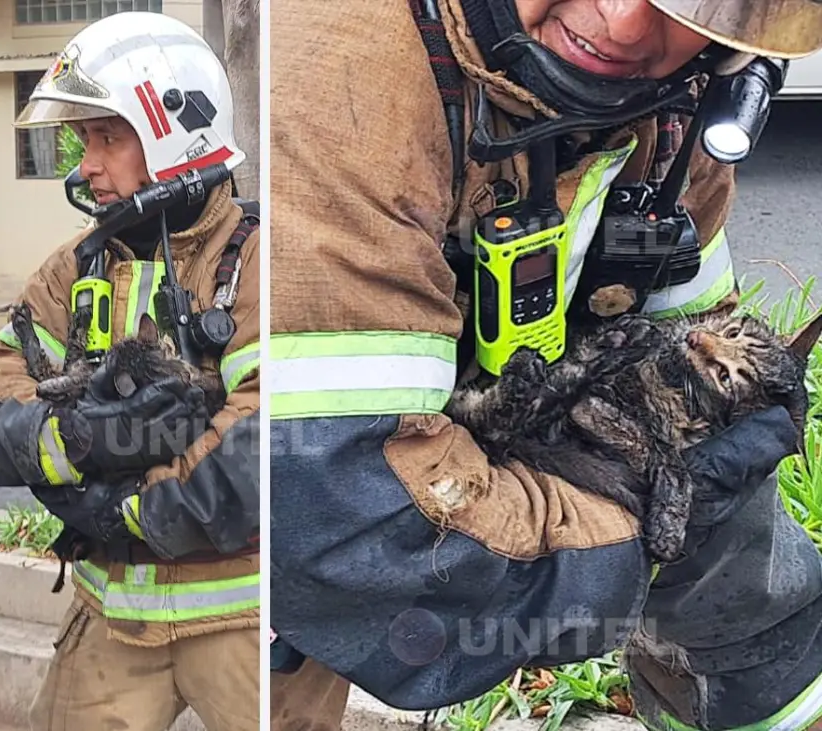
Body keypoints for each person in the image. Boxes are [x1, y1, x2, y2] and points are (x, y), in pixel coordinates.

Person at [267, 1, 822, 730]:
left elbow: (709, 396)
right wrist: (635, 529)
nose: (622, 23)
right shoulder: (336, 86)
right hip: (285, 515)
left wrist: (756, 638)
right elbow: (361, 530)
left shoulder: (677, 102)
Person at [0, 12, 261, 731]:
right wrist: (81, 437)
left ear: (175, 137)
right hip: (112, 611)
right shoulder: (77, 263)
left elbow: (258, 447)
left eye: (108, 136)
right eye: (83, 139)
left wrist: (116, 508)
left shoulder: (257, 264)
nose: (85, 164)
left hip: (249, 618)